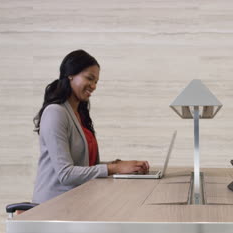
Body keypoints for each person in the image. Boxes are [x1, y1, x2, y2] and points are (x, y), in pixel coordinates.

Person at [32, 49, 149, 204]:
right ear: (71, 75)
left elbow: (85, 166)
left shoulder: (78, 113)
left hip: (77, 201)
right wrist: (114, 169)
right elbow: (66, 174)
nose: (94, 86)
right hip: (54, 206)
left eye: (96, 82)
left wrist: (120, 165)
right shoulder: (56, 112)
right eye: (90, 78)